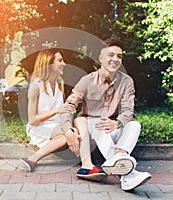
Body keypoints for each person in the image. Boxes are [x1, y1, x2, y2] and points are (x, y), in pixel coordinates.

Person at [60, 38, 152, 190]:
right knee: (98, 123)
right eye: (111, 55)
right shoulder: (87, 80)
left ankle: (119, 161)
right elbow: (68, 106)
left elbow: (129, 111)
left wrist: (117, 123)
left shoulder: (127, 81)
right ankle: (129, 174)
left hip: (111, 127)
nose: (115, 59)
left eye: (119, 56)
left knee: (135, 125)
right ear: (101, 58)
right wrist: (67, 130)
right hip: (91, 128)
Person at [20, 48, 80, 172]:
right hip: (40, 127)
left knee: (68, 134)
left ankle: (31, 159)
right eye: (60, 60)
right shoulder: (36, 85)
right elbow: (32, 120)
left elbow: (61, 111)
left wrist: (68, 110)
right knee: (70, 133)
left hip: (57, 127)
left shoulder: (60, 84)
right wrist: (57, 110)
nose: (64, 64)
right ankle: (33, 159)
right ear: (49, 63)